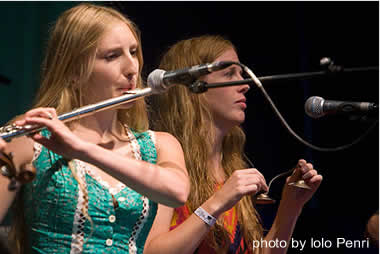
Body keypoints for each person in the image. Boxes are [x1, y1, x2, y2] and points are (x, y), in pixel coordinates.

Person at [0, 3, 190, 253]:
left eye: (133, 52)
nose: (132, 68)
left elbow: (177, 192)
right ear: (74, 71)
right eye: (112, 56)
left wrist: (81, 149)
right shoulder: (33, 137)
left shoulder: (159, 145)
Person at [145, 35, 323, 254]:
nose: (245, 85)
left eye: (241, 73)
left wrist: (290, 207)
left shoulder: (232, 167)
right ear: (192, 88)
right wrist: (218, 202)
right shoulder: (165, 158)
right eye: (229, 73)